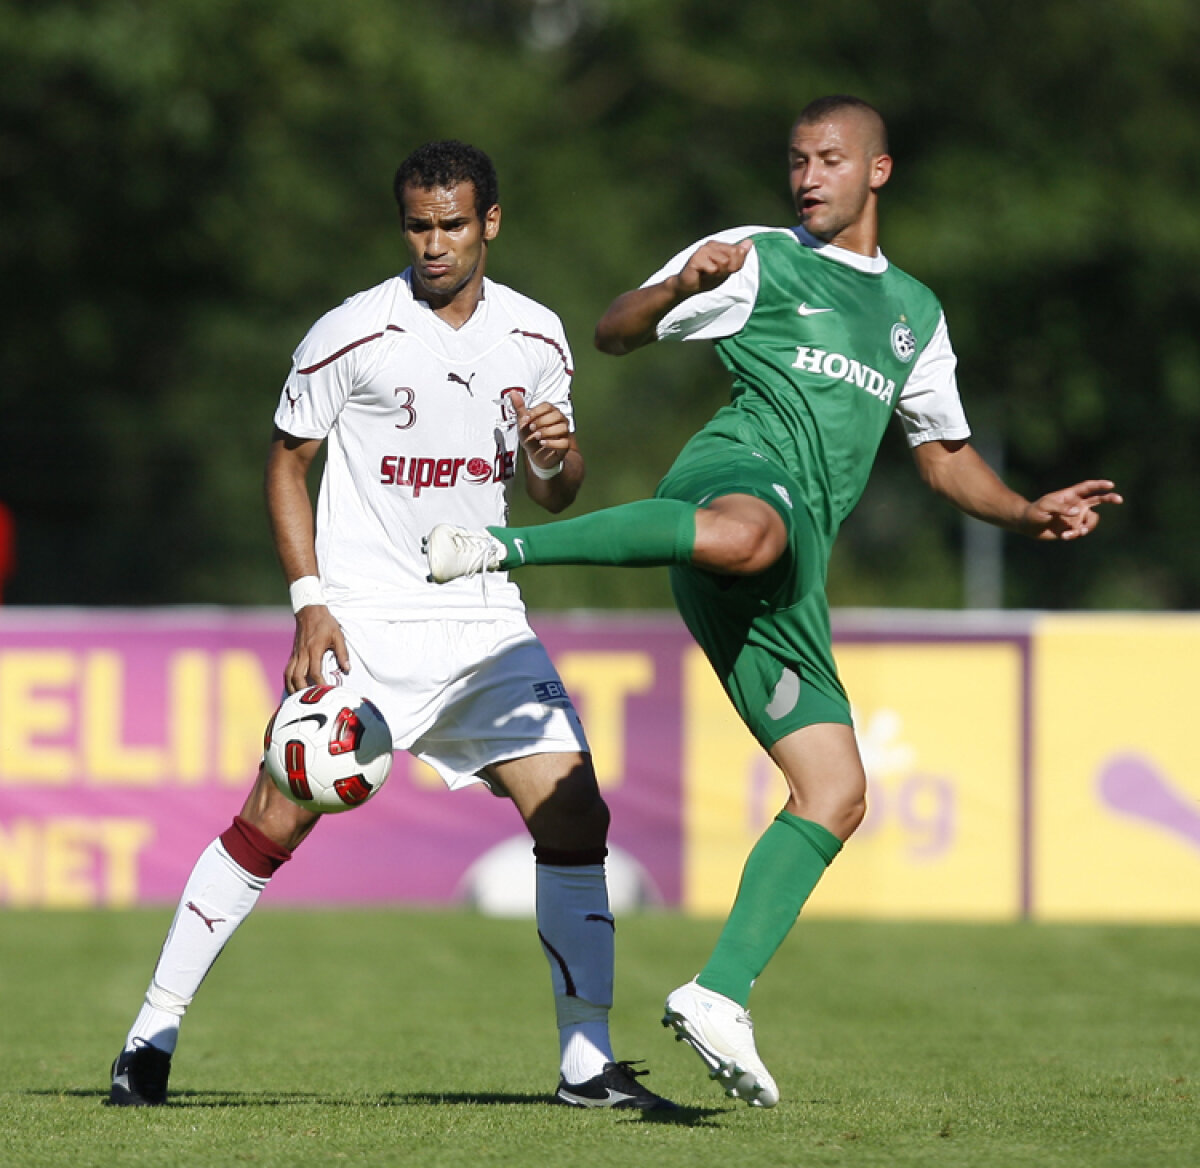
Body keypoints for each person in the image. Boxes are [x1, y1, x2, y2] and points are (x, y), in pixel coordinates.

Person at [424, 98, 1123, 1108]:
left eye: (829, 161)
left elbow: (943, 456)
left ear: (878, 171)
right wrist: (676, 287)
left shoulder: (915, 314)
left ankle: (719, 992)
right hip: (734, 482)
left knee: (836, 789)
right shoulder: (754, 256)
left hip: (786, 567)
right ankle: (496, 545)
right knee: (752, 530)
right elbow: (614, 332)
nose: (806, 177)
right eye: (795, 161)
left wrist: (1024, 513)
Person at [108, 140, 674, 1112]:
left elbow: (552, 491)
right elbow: (288, 461)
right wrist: (309, 600)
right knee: (272, 819)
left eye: (455, 223)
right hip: (365, 624)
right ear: (403, 224)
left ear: (491, 222)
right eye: (420, 224)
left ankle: (587, 1063)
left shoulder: (537, 339)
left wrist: (557, 455)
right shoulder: (352, 332)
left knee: (577, 814)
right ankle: (149, 1037)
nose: (437, 242)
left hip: (486, 625)